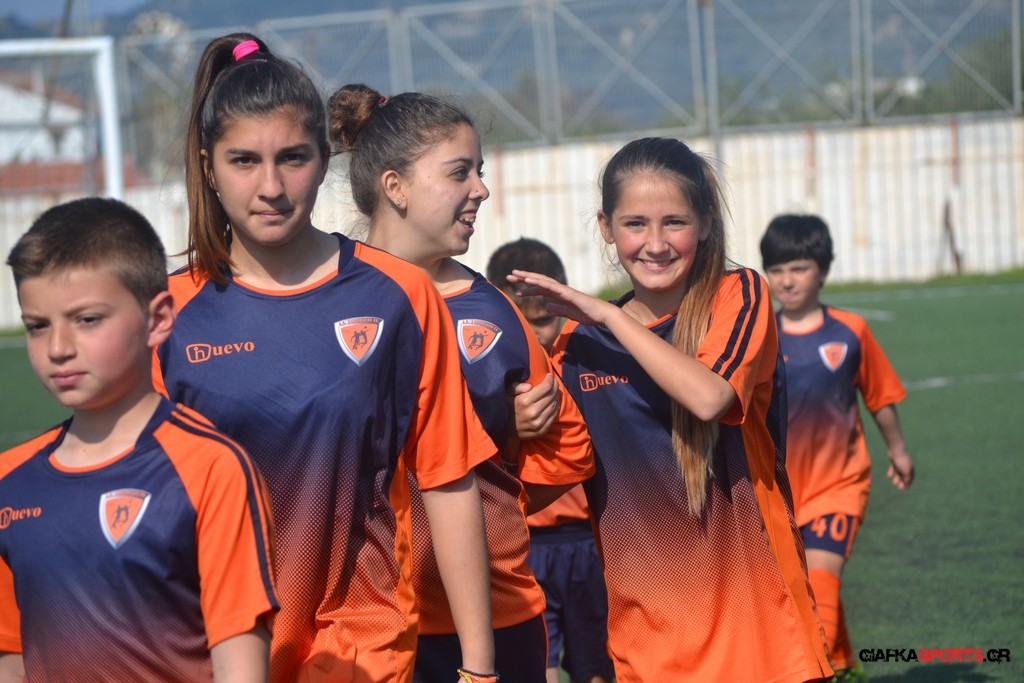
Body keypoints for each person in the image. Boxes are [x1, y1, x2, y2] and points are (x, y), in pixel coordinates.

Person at [154, 34, 496, 683]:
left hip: (360, 643)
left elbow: (449, 478)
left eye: (292, 158)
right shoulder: (165, 315)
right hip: (213, 651)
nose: (271, 186)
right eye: (244, 160)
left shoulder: (400, 295)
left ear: (322, 159)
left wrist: (479, 669)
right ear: (209, 166)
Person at [507, 137, 834, 682]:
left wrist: (610, 317)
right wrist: (512, 427)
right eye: (635, 224)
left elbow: (709, 398)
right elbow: (536, 489)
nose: (655, 244)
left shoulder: (738, 295)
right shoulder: (577, 348)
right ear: (606, 227)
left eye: (674, 222)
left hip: (763, 634)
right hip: (649, 648)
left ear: (705, 223)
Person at [327, 85, 595, 683]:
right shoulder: (327, 302)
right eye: (459, 172)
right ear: (395, 187)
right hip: (360, 622)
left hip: (498, 618)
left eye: (480, 171)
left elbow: (567, 452)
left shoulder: (493, 311)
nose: (481, 189)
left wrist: (495, 490)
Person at [0, 197, 276, 683]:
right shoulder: (10, 481)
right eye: (38, 326)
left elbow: (240, 666)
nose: (58, 348)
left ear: (159, 319)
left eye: (87, 319)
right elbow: (12, 658)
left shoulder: (211, 469)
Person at [760, 214, 915, 681]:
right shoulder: (760, 337)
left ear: (823, 270)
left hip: (839, 485)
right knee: (801, 586)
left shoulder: (850, 332)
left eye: (799, 268)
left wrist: (898, 451)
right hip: (780, 490)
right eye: (776, 269)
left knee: (821, 583)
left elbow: (879, 397)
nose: (787, 280)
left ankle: (821, 673)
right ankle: (845, 665)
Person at [486, 238, 614, 683]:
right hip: (525, 544)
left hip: (588, 542)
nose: (534, 333)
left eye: (543, 320)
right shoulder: (484, 375)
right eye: (520, 321)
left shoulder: (583, 362)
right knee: (536, 664)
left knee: (596, 668)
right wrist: (506, 425)